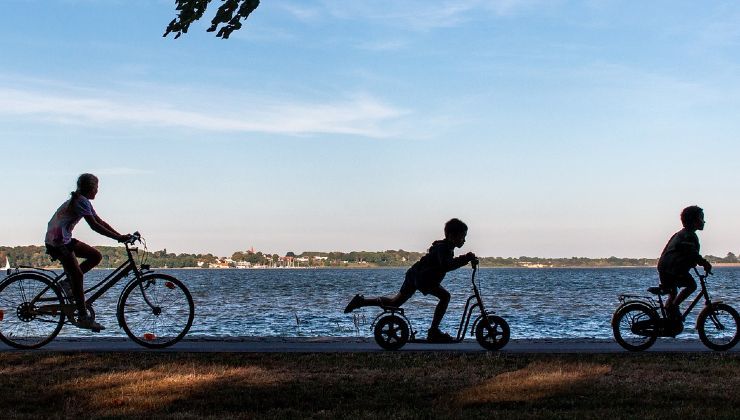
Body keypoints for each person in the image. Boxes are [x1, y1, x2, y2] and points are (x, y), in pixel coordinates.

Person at [343, 218, 477, 342]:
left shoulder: (445, 247)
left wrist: (465, 259)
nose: (464, 240)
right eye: (462, 237)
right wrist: (465, 258)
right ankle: (433, 331)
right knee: (445, 296)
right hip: (423, 278)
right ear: (452, 236)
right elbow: (446, 265)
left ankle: (362, 301)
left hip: (415, 274)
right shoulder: (443, 248)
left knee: (394, 303)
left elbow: (445, 264)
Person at [44, 173, 131, 331]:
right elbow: (95, 226)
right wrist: (118, 238)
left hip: (63, 238)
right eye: (96, 187)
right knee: (77, 275)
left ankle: (67, 283)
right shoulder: (80, 201)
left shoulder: (83, 200)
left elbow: (100, 221)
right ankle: (83, 316)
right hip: (58, 241)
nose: (97, 191)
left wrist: (120, 236)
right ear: (90, 188)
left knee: (95, 256)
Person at [657, 205, 712, 321]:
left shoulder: (681, 233)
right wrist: (705, 263)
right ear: (693, 221)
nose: (704, 221)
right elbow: (692, 253)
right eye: (701, 218)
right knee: (692, 286)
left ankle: (670, 316)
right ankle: (673, 308)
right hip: (672, 269)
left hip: (666, 268)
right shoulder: (689, 236)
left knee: (673, 292)